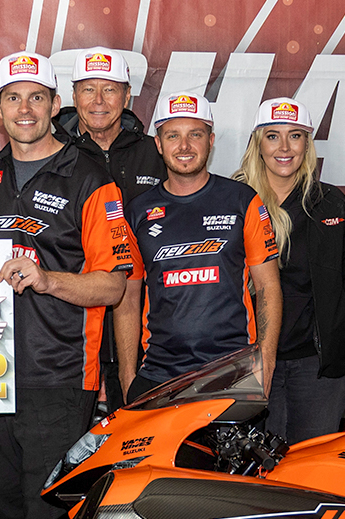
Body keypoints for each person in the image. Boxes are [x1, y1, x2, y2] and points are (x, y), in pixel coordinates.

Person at [0, 51, 138, 519]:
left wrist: (47, 281)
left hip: (60, 373)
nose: (24, 109)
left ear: (54, 105)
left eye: (36, 98)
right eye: (13, 98)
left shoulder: (90, 177)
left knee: (46, 515)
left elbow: (113, 287)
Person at [118, 93, 281, 400]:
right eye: (173, 136)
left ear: (211, 141)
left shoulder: (242, 200)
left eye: (195, 134)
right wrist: (127, 376)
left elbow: (268, 286)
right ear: (158, 144)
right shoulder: (138, 211)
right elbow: (127, 299)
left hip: (233, 372)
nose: (184, 146)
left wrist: (266, 364)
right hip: (159, 375)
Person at [234, 97, 345, 443]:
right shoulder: (234, 201)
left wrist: (337, 327)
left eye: (295, 136)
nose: (284, 147)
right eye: (273, 136)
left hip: (316, 367)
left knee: (312, 467)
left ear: (307, 144)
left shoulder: (331, 202)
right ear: (257, 144)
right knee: (258, 469)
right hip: (251, 363)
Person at [54, 48, 164, 409]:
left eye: (110, 89)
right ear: (73, 96)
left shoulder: (157, 153)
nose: (98, 101)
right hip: (70, 333)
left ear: (127, 96)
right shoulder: (52, 155)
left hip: (147, 332)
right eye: (88, 89)